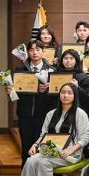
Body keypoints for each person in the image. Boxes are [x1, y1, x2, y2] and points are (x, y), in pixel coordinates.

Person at [21, 83, 89, 176]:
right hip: (49, 151)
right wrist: (35, 145)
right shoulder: (51, 114)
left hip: (70, 154)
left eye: (69, 93)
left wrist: (72, 148)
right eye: (63, 92)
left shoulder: (80, 114)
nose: (65, 95)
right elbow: (44, 134)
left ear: (75, 96)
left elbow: (85, 137)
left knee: (43, 163)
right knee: (30, 161)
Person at [7, 40, 55, 169]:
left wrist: (48, 90)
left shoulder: (51, 70)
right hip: (25, 114)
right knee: (26, 146)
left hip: (43, 115)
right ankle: (25, 175)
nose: (35, 53)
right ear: (28, 52)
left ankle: (42, 175)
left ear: (43, 52)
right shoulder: (20, 70)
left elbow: (57, 96)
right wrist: (10, 91)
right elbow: (15, 94)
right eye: (31, 50)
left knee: (42, 147)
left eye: (38, 50)